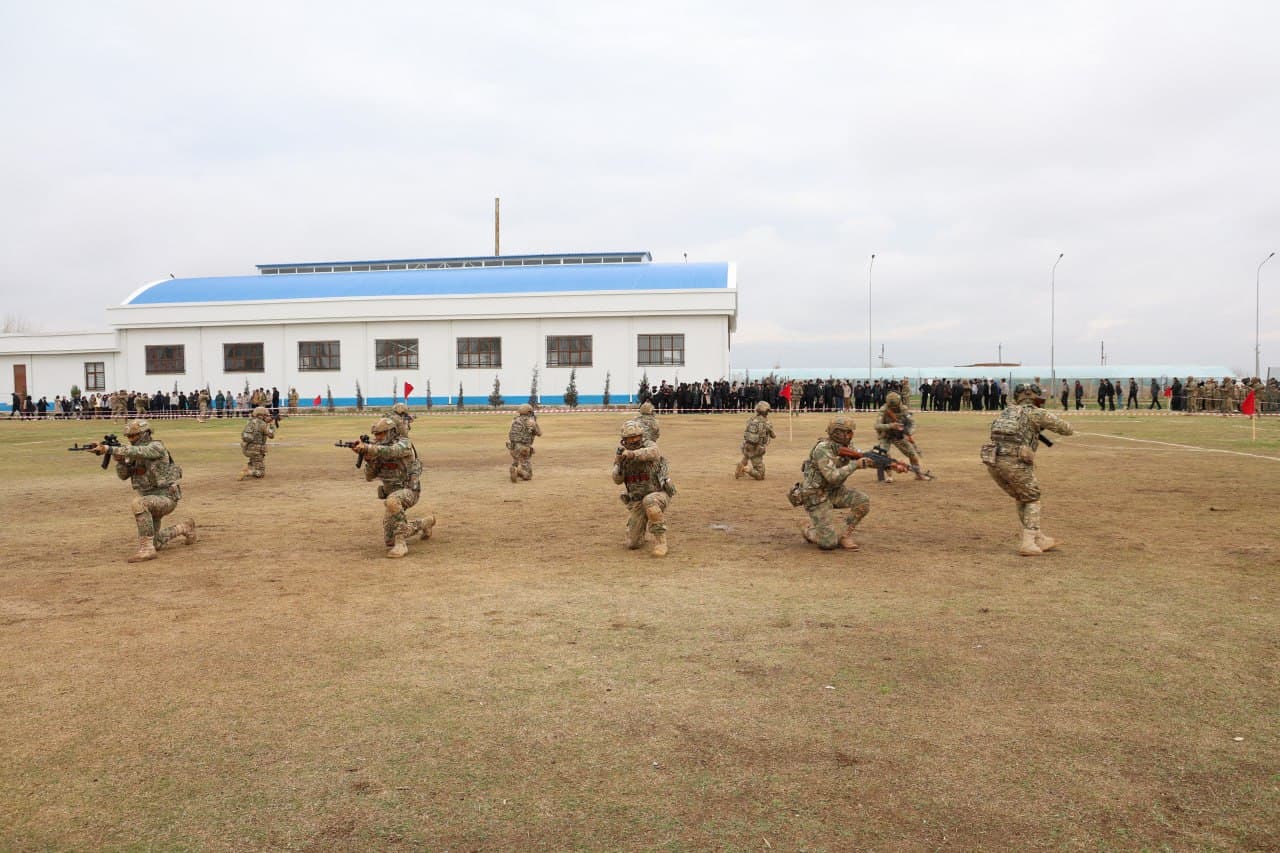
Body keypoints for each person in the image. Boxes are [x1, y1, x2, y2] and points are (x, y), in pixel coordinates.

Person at [981, 383, 1074, 556]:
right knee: (1032, 498)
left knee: (1022, 496)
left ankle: (1037, 537)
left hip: (993, 460)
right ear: (1035, 398)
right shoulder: (1036, 413)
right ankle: (1028, 542)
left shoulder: (1007, 412)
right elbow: (1067, 429)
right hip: (1015, 461)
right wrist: (1041, 424)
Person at [790, 414, 903, 551]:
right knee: (828, 544)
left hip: (834, 491)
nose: (851, 435)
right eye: (848, 432)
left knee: (862, 501)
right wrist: (854, 465)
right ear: (838, 433)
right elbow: (832, 477)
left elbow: (865, 459)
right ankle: (808, 528)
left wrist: (891, 465)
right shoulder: (822, 449)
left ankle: (844, 535)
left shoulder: (847, 447)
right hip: (816, 496)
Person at [92, 419, 195, 562]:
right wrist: (120, 461)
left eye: (134, 436)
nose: (131, 440)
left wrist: (110, 449)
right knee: (155, 542)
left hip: (166, 497)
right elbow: (123, 475)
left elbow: (141, 451)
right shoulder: (133, 453)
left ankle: (147, 550)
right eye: (128, 437)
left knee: (139, 503)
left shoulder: (156, 446)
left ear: (145, 433)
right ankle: (184, 528)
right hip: (150, 497)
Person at [351, 417, 433, 558]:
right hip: (392, 495)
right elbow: (369, 476)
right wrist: (369, 458)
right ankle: (424, 523)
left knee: (392, 501)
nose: (377, 437)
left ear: (391, 432)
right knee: (389, 539)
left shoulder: (404, 444)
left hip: (409, 491)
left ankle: (401, 545)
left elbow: (392, 451)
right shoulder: (377, 449)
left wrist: (369, 448)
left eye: (381, 434)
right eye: (376, 434)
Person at [612, 419, 676, 557]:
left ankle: (661, 543)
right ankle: (636, 529)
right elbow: (617, 480)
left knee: (650, 501)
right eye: (630, 438)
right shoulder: (622, 454)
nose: (634, 441)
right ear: (624, 440)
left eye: (636, 437)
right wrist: (619, 465)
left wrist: (632, 454)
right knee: (633, 544)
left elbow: (653, 453)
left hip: (658, 494)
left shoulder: (649, 445)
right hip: (637, 500)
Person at [872, 392, 933, 482]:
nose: (894, 408)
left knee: (912, 455)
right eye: (892, 407)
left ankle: (918, 475)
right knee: (884, 455)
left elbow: (912, 423)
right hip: (886, 435)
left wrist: (908, 433)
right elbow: (877, 426)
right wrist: (891, 426)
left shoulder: (903, 409)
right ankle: (888, 476)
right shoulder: (883, 410)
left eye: (895, 406)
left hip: (899, 435)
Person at [735, 401, 777, 480]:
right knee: (760, 475)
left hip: (746, 445)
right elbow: (773, 436)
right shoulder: (767, 423)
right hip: (756, 448)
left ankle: (740, 467)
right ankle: (746, 469)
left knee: (746, 456)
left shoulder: (751, 419)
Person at [506, 403, 542, 482]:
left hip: (512, 447)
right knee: (528, 475)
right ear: (529, 412)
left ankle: (514, 468)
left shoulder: (515, 420)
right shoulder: (530, 421)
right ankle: (519, 471)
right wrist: (535, 424)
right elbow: (539, 433)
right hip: (523, 448)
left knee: (516, 460)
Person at [238, 406, 275, 480]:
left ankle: (249, 467)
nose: (267, 417)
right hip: (256, 450)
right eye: (266, 415)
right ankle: (248, 472)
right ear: (261, 415)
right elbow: (271, 435)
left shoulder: (250, 421)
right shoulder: (262, 424)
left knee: (254, 461)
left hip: (247, 448)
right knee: (260, 473)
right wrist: (272, 425)